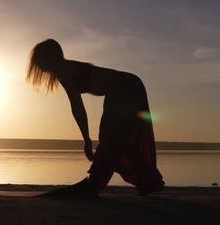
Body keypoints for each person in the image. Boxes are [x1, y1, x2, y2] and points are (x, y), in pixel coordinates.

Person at [26, 39, 164, 196]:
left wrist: (86, 139)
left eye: (38, 61)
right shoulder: (66, 68)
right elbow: (77, 106)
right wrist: (86, 139)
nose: (37, 66)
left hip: (124, 87)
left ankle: (96, 183)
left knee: (111, 137)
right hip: (129, 84)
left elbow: (77, 107)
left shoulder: (63, 70)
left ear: (47, 58)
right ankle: (148, 181)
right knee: (120, 139)